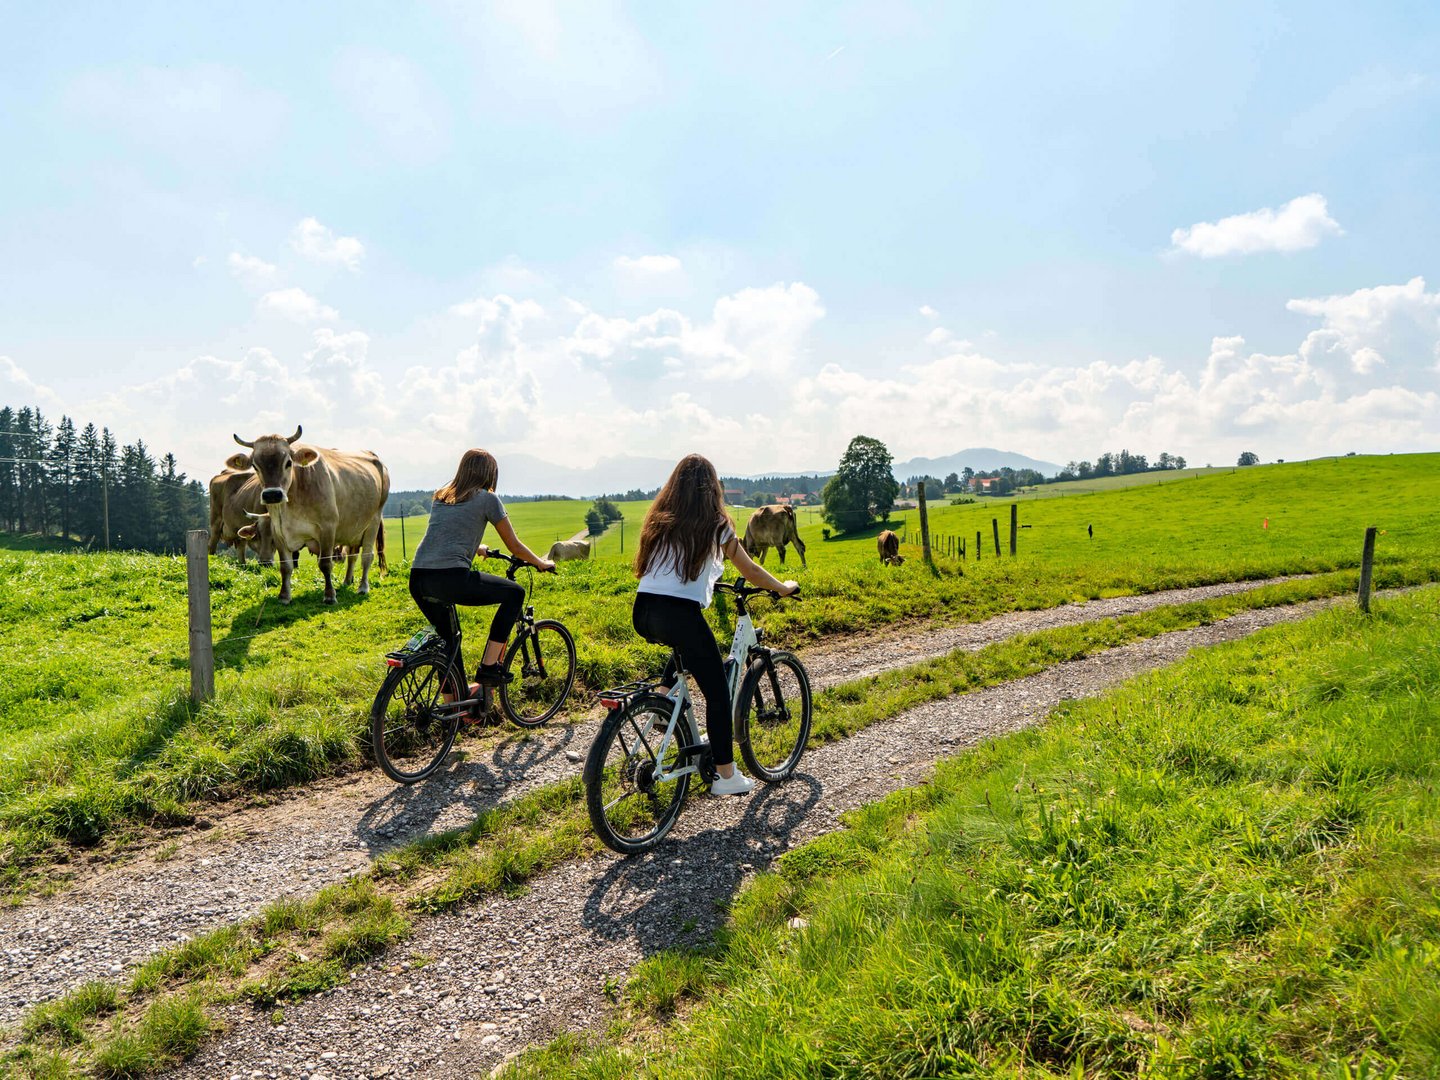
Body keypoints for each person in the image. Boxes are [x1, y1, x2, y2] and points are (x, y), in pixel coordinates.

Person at [633, 453, 799, 796]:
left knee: (688, 648)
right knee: (718, 694)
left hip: (644, 610)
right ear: (712, 488)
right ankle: (725, 775)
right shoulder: (716, 522)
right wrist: (782, 587)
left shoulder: (660, 518)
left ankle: (663, 703)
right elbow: (750, 569)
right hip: (678, 613)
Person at [409, 449, 554, 698]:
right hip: (451, 578)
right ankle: (489, 667)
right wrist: (540, 562)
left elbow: (445, 534)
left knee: (449, 642)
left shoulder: (442, 497)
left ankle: (452, 708)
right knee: (515, 594)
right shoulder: (488, 499)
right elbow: (514, 546)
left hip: (419, 578)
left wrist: (477, 547)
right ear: (490, 474)